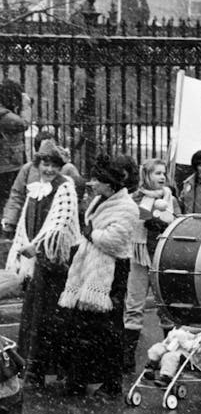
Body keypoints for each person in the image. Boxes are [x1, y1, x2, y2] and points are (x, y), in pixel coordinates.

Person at [58, 154, 139, 399]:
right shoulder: (99, 201)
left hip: (112, 271)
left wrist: (92, 235)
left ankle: (111, 381)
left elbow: (114, 241)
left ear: (111, 183)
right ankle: (79, 377)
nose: (94, 184)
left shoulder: (127, 207)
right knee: (83, 325)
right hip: (90, 266)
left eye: (99, 180)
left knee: (108, 328)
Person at [6, 141, 80, 387]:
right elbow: (25, 224)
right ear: (38, 165)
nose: (48, 169)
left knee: (54, 316)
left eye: (53, 165)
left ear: (60, 167)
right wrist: (22, 246)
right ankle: (32, 369)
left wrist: (36, 246)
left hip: (57, 261)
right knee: (34, 314)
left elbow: (58, 225)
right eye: (44, 164)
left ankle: (56, 369)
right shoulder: (35, 188)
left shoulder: (65, 187)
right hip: (39, 261)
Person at [122, 158, 180, 373]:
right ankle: (127, 358)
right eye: (157, 173)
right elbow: (128, 219)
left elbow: (177, 223)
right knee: (134, 305)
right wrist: (148, 217)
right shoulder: (134, 198)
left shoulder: (169, 197)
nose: (162, 177)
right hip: (138, 257)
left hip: (161, 258)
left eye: (163, 173)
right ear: (146, 176)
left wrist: (163, 220)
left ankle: (169, 356)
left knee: (165, 307)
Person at [2, 131, 83, 236]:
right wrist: (10, 220)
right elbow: (17, 196)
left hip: (55, 223)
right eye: (45, 163)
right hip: (32, 220)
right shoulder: (27, 169)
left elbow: (77, 196)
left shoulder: (68, 169)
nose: (50, 169)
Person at [0, 81, 29, 233]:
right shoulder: (4, 116)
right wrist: (25, 105)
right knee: (11, 197)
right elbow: (24, 123)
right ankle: (8, 228)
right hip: (7, 165)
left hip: (7, 164)